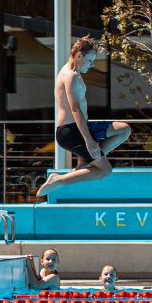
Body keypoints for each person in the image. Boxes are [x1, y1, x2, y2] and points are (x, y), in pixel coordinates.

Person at [36, 36, 131, 197]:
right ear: (79, 55)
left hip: (83, 127)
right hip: (72, 132)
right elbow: (75, 109)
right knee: (105, 171)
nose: (92, 65)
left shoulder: (73, 73)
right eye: (90, 60)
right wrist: (89, 140)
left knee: (124, 129)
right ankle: (58, 180)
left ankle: (86, 162)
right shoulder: (70, 76)